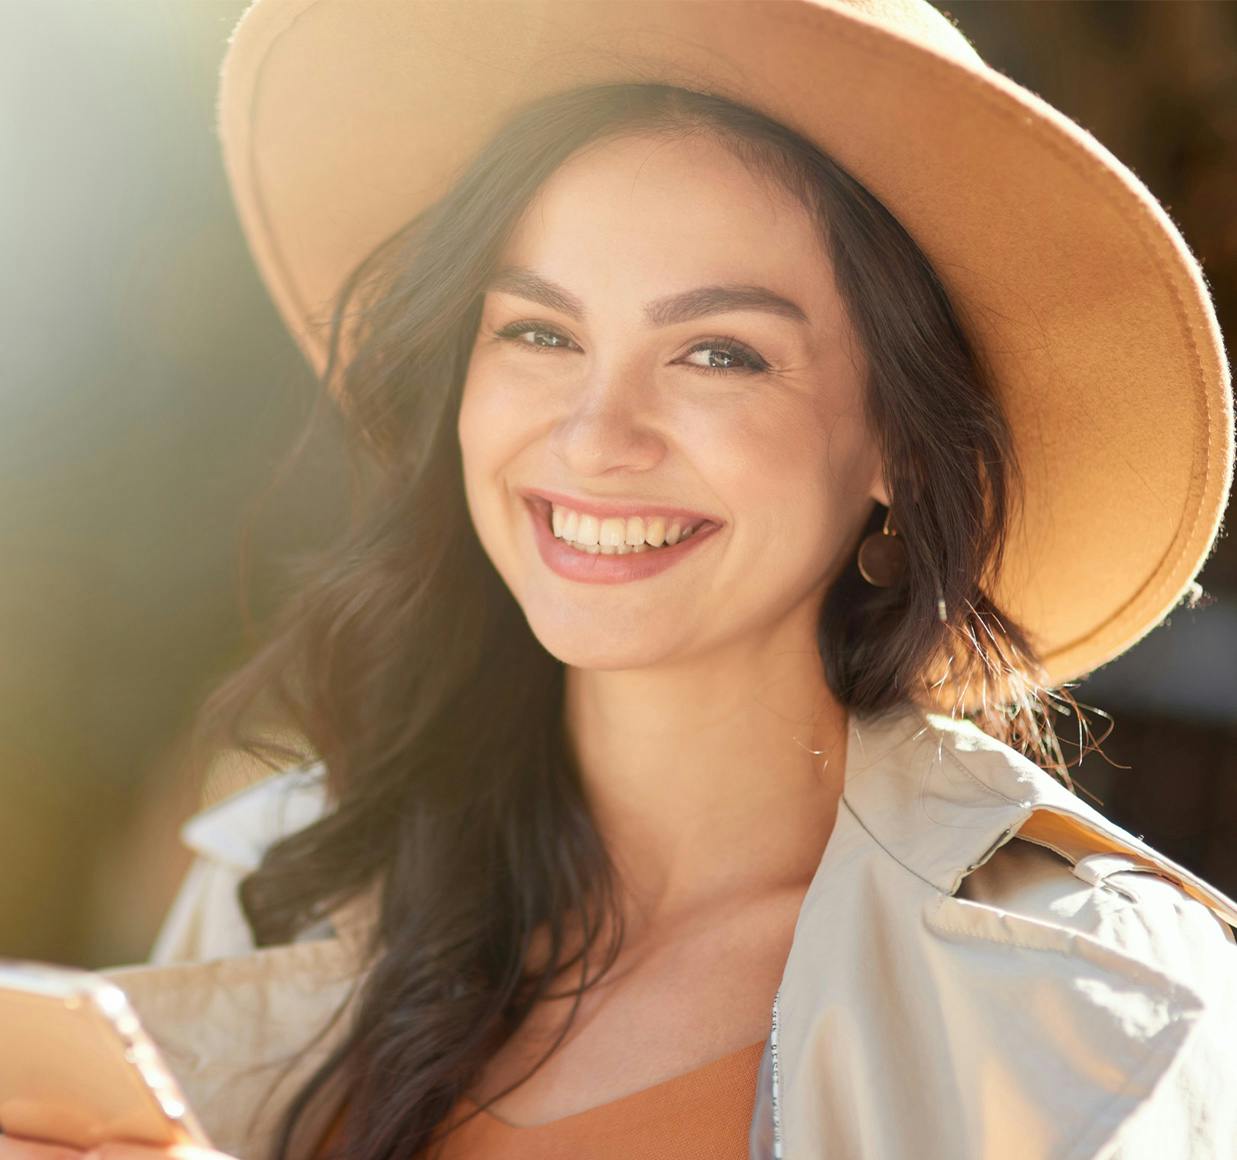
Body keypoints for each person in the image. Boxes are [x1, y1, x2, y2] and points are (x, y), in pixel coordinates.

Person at [3, 0, 1234, 1158]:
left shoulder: (1093, 1003)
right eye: (539, 332)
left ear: (897, 444)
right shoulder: (288, 880)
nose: (597, 436)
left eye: (718, 352)